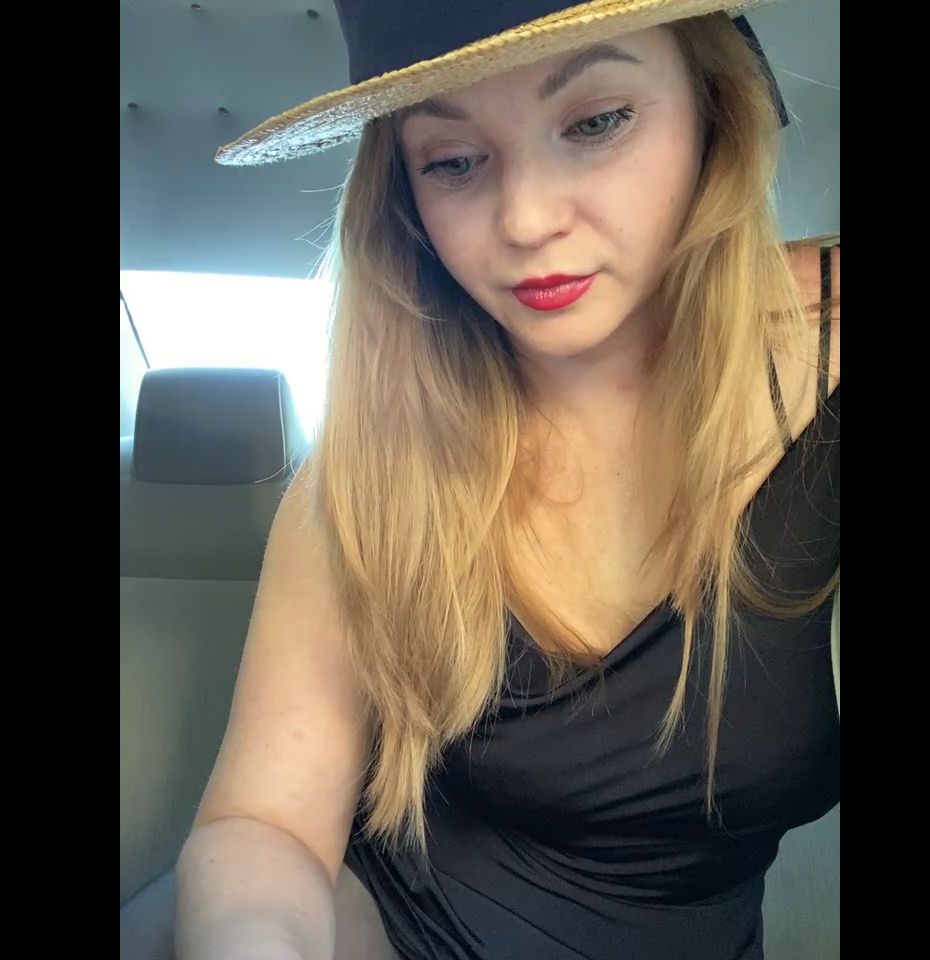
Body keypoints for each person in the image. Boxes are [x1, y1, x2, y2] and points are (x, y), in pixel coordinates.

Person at [175, 1, 840, 957]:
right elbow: (264, 824)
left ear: (713, 104)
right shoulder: (364, 473)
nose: (525, 219)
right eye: (452, 162)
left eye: (597, 121)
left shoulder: (819, 364)